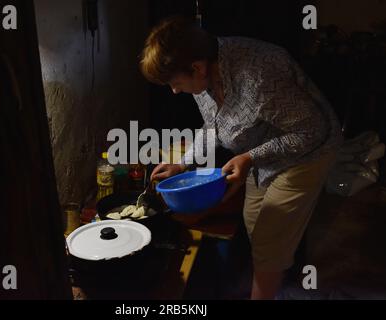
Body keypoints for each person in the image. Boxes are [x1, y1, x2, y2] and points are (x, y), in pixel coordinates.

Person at [140, 16, 342, 299]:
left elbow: (312, 131)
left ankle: (269, 281)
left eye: (175, 82)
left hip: (308, 152)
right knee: (254, 223)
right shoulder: (204, 74)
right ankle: (274, 271)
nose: (174, 91)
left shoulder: (259, 74)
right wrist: (184, 162)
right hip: (261, 153)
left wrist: (250, 157)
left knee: (270, 240)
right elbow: (212, 125)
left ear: (196, 67)